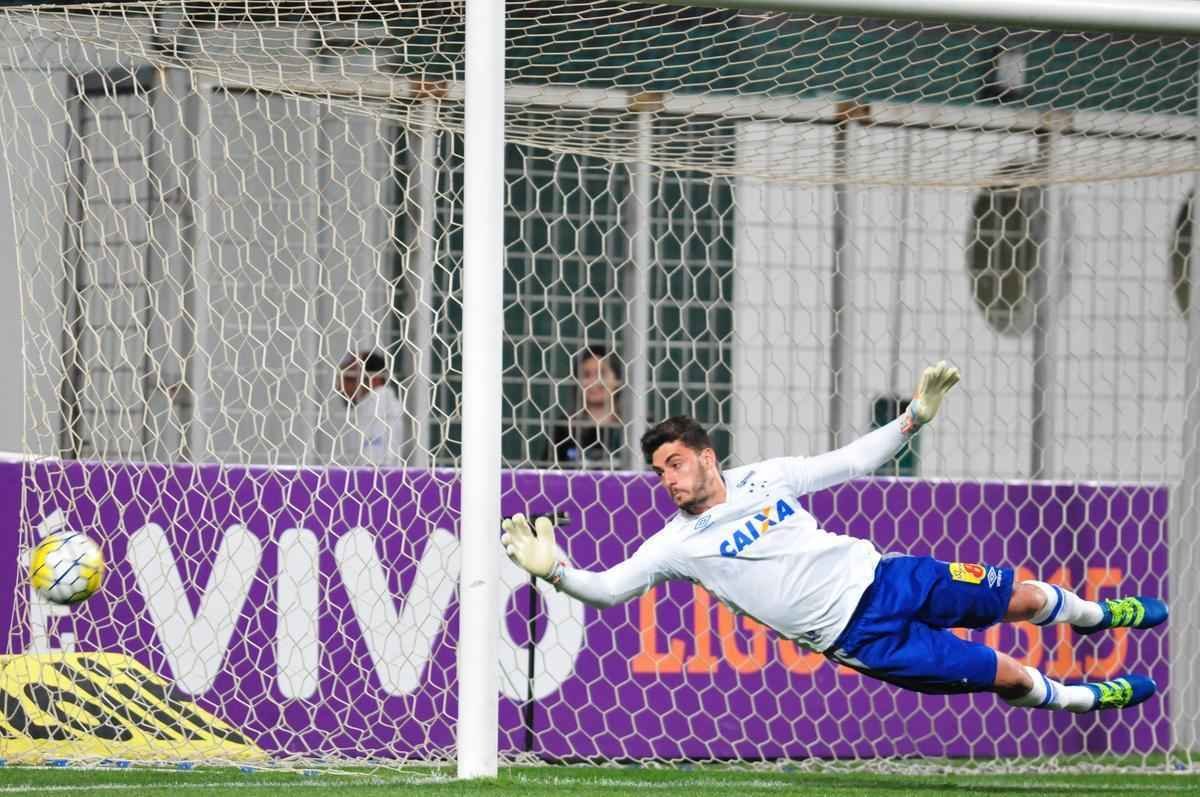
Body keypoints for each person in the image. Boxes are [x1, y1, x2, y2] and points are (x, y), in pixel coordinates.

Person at [502, 362, 1166, 712]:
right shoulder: (678, 543)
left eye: (674, 462)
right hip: (862, 638)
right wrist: (555, 569)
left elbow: (850, 460)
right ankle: (1081, 698)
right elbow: (613, 589)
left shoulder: (767, 477)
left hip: (887, 575)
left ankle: (1095, 614)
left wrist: (913, 418)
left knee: (1019, 597)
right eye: (658, 471)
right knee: (1005, 672)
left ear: (706, 455)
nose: (668, 479)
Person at [319, 349, 409, 467]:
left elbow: (375, 464)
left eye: (349, 378)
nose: (340, 387)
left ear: (374, 378)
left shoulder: (379, 405)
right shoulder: (367, 406)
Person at [546, 346, 625, 469]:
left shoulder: (634, 428)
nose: (594, 382)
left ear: (617, 379)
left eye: (602, 374)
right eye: (586, 375)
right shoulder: (563, 429)